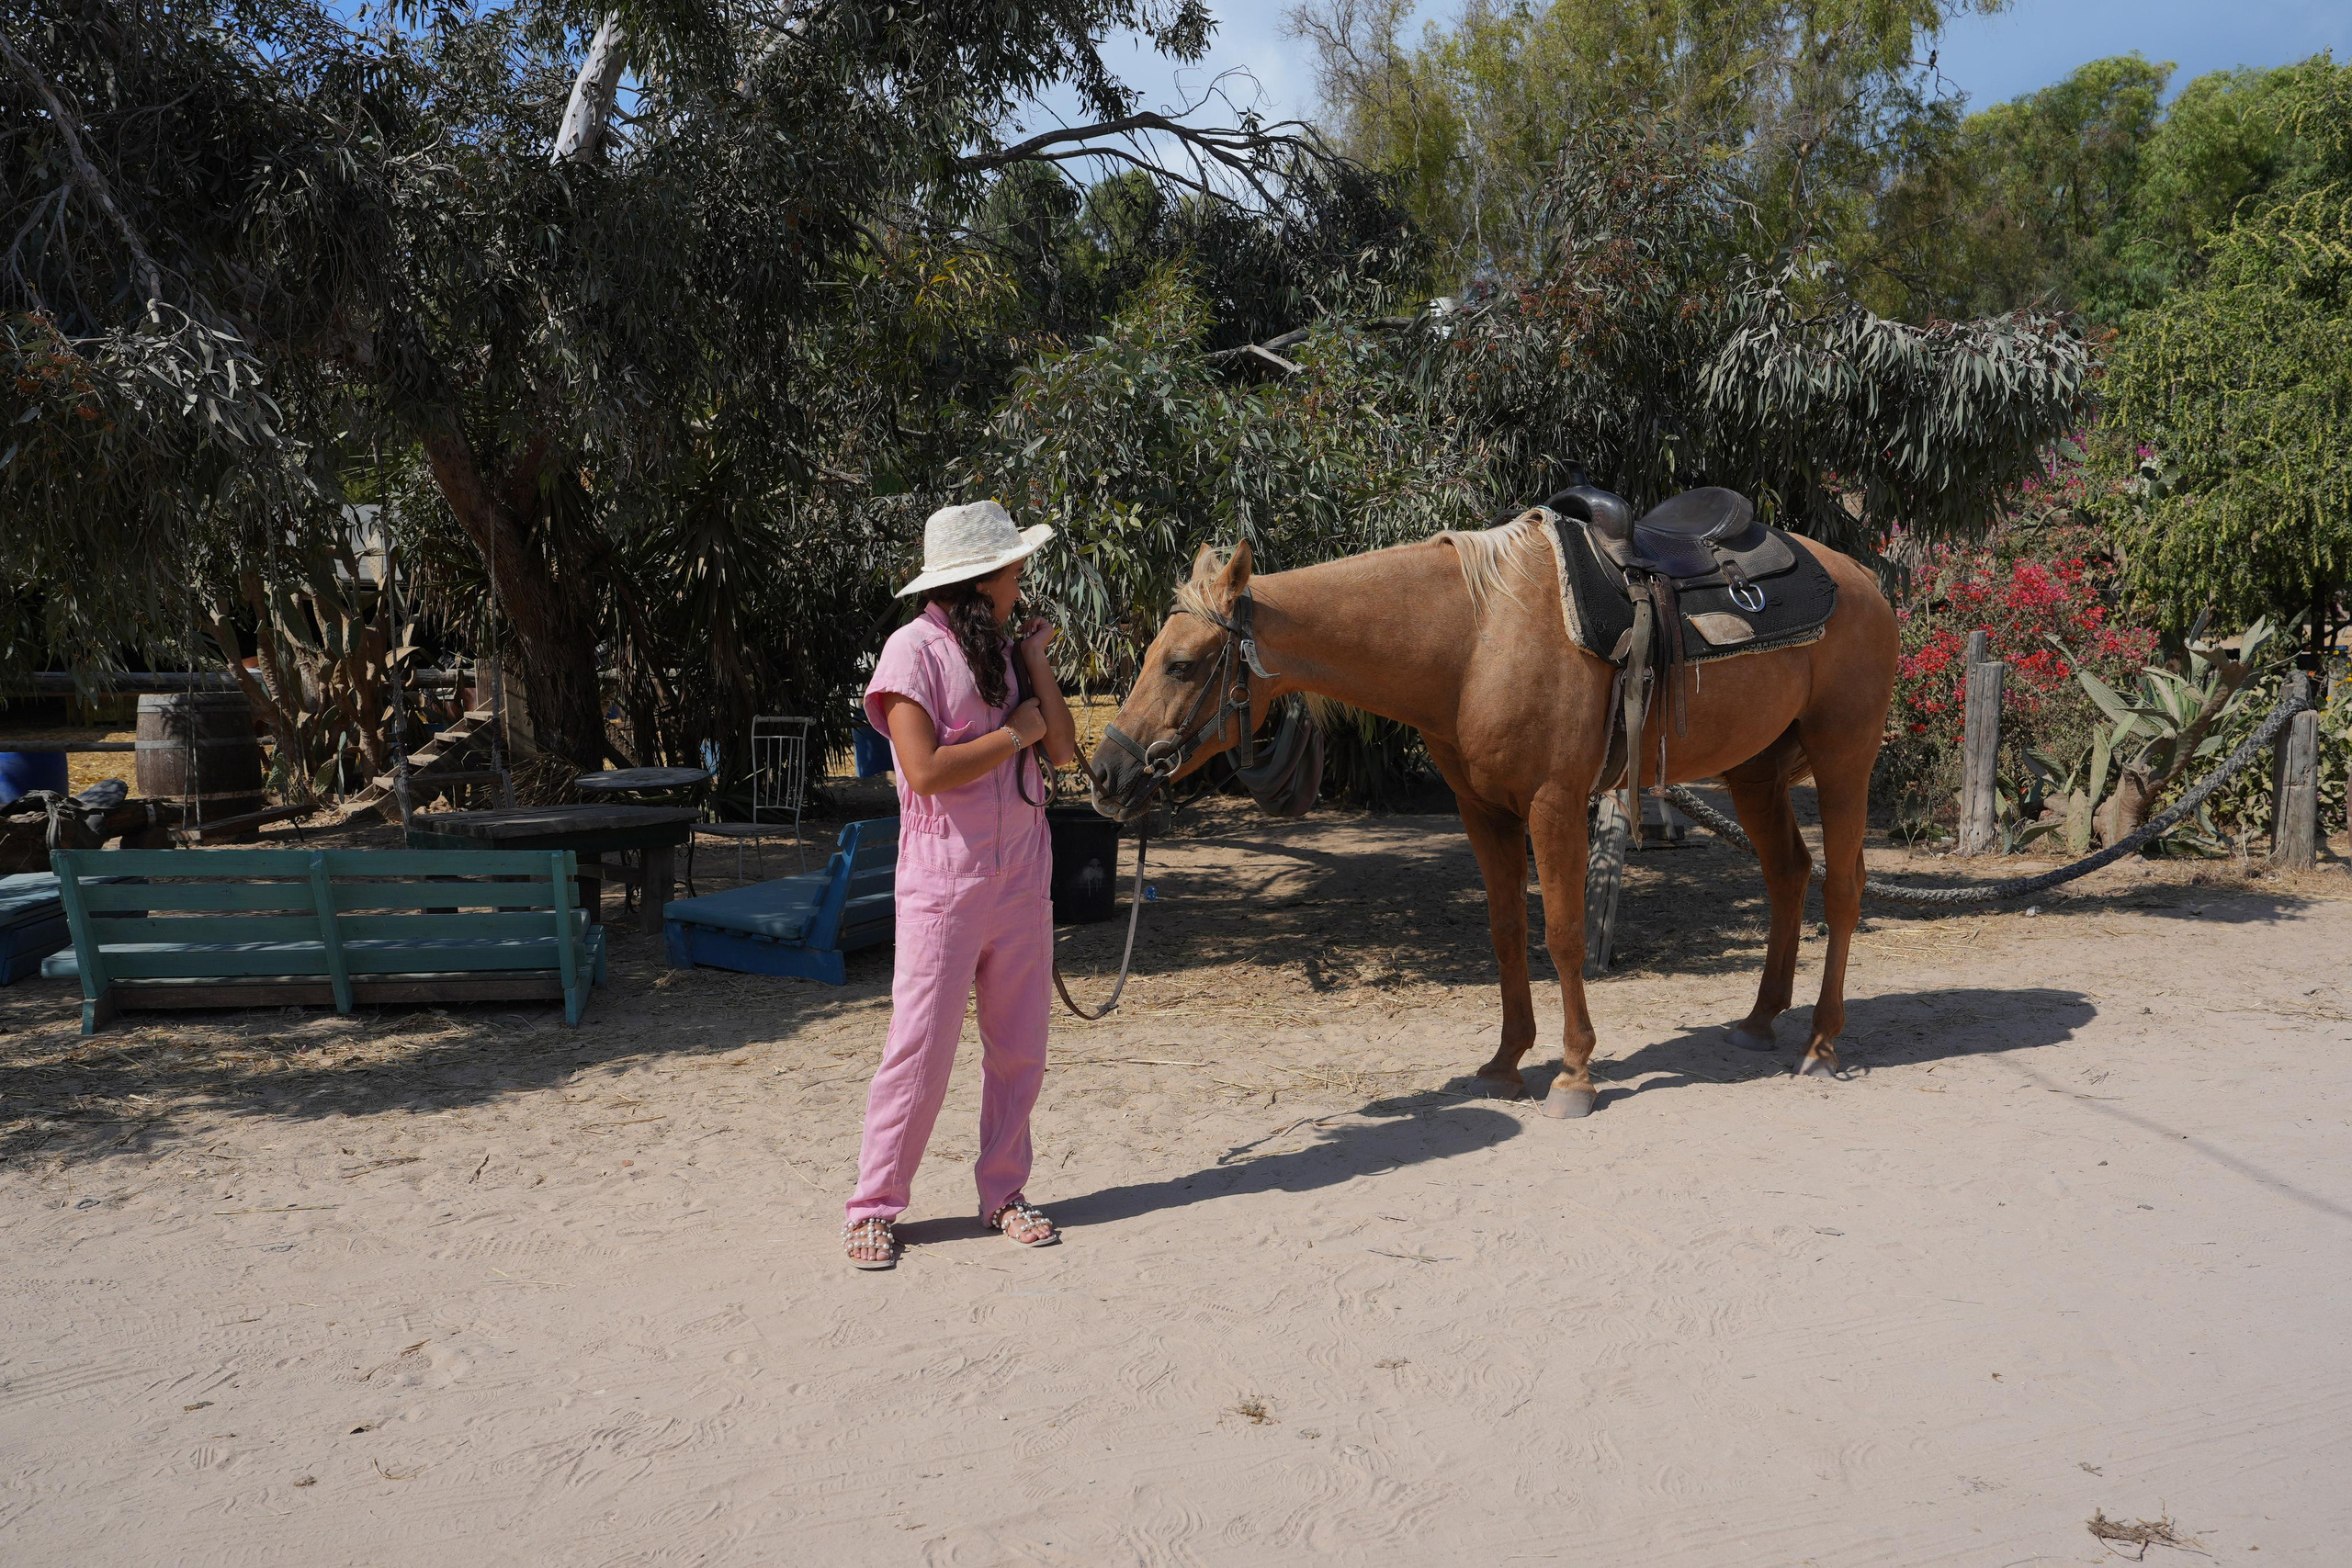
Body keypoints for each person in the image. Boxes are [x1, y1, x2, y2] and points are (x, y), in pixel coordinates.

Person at [842, 500, 1079, 1270]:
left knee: (1021, 1050)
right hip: (943, 886)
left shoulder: (1008, 656)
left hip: (1021, 880)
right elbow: (925, 772)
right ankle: (874, 1205)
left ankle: (1003, 1193)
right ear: (982, 580)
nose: (1022, 580)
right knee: (920, 1051)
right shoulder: (910, 652)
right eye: (1014, 569)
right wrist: (1014, 733)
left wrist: (1037, 661)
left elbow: (1066, 751)